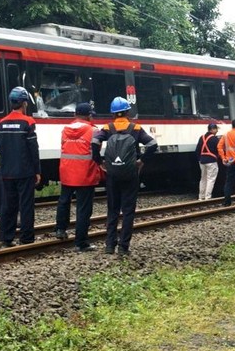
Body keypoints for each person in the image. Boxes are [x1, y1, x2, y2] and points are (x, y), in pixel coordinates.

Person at [93, 96, 158, 256]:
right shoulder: (135, 128)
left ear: (113, 113)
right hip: (130, 174)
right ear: (127, 111)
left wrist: (99, 161)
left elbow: (94, 142)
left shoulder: (107, 128)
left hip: (113, 174)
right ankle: (123, 247)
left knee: (112, 210)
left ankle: (110, 245)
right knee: (128, 211)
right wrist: (141, 160)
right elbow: (152, 144)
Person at [0, 87, 42, 247]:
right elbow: (33, 149)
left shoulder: (1, 123)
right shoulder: (28, 122)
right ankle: (26, 238)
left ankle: (6, 238)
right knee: (26, 205)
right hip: (25, 172)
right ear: (24, 103)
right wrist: (37, 171)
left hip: (7, 172)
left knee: (8, 206)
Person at [55, 103, 101, 252]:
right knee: (83, 209)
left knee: (64, 201)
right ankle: (81, 242)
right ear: (89, 115)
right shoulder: (94, 131)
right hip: (84, 174)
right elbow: (96, 151)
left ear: (75, 114)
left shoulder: (65, 129)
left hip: (67, 171)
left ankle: (60, 229)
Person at [217, 119, 235, 206]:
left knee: (228, 182)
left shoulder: (226, 134)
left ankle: (227, 202)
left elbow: (219, 146)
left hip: (229, 162)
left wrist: (223, 158)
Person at [195, 123, 220, 200]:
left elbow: (197, 150)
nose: (217, 131)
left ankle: (201, 197)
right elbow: (219, 150)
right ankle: (208, 197)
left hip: (202, 161)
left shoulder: (201, 137)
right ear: (212, 129)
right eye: (216, 129)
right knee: (210, 179)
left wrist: (200, 159)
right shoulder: (215, 139)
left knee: (203, 179)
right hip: (211, 161)